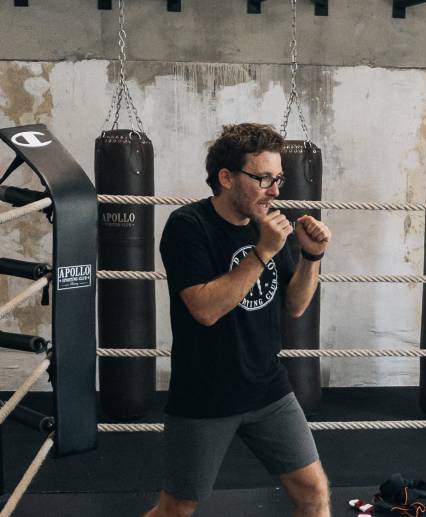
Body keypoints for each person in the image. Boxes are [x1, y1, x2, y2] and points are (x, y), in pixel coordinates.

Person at [145, 123, 331, 517]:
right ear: (226, 178)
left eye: (277, 178)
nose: (275, 189)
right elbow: (205, 309)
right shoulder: (188, 226)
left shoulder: (269, 227)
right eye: (263, 178)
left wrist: (311, 257)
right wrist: (262, 251)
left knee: (314, 493)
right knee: (176, 508)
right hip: (205, 394)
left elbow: (294, 307)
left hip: (268, 389)